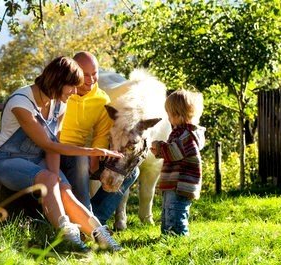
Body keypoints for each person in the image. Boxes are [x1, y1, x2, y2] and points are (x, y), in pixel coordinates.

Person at [0, 56, 123, 252]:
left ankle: (100, 236)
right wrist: (92, 151)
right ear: (58, 82)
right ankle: (68, 237)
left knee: (64, 190)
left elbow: (53, 143)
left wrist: (58, 180)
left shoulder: (60, 103)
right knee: (49, 178)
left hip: (38, 161)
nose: (75, 92)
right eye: (72, 87)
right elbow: (45, 143)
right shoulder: (21, 102)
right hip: (8, 161)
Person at [59, 51, 139, 226]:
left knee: (131, 169)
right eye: (85, 75)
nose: (91, 79)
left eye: (94, 73)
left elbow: (102, 134)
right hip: (57, 151)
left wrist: (95, 158)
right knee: (80, 160)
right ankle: (89, 224)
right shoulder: (62, 92)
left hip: (83, 152)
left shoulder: (102, 99)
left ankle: (95, 217)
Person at [150, 89, 205, 236]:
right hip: (173, 181)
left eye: (169, 115)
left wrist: (160, 146)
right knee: (168, 209)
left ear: (178, 115)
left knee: (176, 210)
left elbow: (175, 152)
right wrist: (162, 151)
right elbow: (174, 152)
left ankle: (178, 235)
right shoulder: (181, 132)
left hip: (180, 182)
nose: (168, 119)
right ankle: (167, 234)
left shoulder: (186, 134)